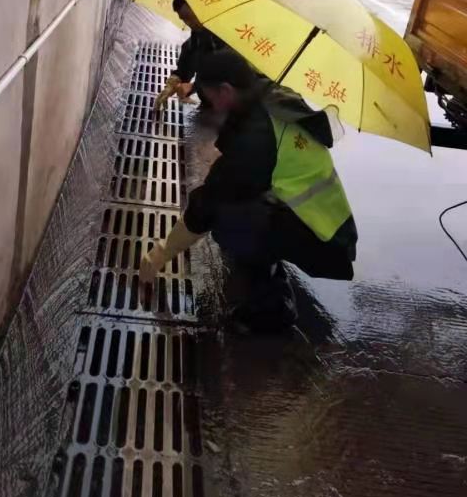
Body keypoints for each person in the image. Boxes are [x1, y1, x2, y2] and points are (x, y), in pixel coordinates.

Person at [141, 49, 358, 333]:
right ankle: (267, 263)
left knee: (227, 221)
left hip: (325, 242)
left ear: (227, 90)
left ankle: (273, 308)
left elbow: (207, 203)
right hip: (325, 224)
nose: (212, 106)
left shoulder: (256, 137)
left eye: (211, 97)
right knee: (239, 207)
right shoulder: (267, 97)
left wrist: (159, 255)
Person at [154, 0, 226, 109]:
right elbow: (190, 52)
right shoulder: (200, 30)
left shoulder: (227, 36)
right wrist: (177, 78)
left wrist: (194, 86)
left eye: (189, 18)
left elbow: (227, 75)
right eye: (184, 20)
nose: (188, 24)